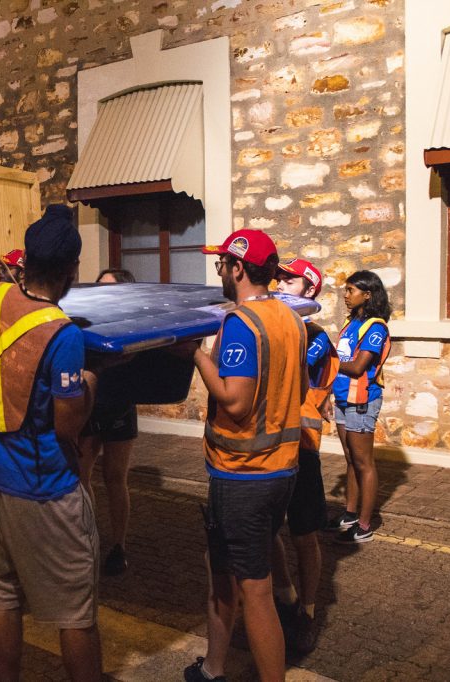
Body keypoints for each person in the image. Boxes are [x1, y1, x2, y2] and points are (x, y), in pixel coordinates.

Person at [0, 204, 103, 682]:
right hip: (45, 490)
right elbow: (66, 426)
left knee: (1, 600)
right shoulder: (62, 335)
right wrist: (91, 389)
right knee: (77, 613)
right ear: (70, 271)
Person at [179, 229, 307, 682]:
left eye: (221, 264)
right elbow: (297, 387)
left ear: (237, 268)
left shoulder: (242, 323)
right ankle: (214, 668)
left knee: (255, 592)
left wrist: (196, 353)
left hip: (244, 478)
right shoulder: (291, 319)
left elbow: (234, 400)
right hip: (279, 472)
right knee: (223, 573)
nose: (219, 271)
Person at [271, 258, 339, 654]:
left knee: (303, 535)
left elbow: (286, 371)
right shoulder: (273, 326)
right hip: (267, 448)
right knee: (265, 532)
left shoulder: (314, 337)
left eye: (290, 280)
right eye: (278, 276)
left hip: (302, 449)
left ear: (310, 291)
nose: (280, 283)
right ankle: (286, 595)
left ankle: (308, 612)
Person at [78, 267, 137, 576]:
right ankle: (88, 539)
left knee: (115, 477)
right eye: (96, 286)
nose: (98, 292)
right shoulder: (86, 319)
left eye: (107, 288)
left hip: (119, 404)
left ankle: (118, 546)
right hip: (89, 403)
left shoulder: (131, 323)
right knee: (80, 474)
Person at [327, 270, 392, 544]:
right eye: (346, 289)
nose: (346, 295)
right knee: (350, 459)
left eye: (351, 290)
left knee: (364, 463)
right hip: (343, 399)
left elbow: (357, 366)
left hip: (362, 401)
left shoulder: (375, 327)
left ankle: (364, 525)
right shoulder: (350, 323)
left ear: (367, 294)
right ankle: (350, 513)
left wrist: (325, 359)